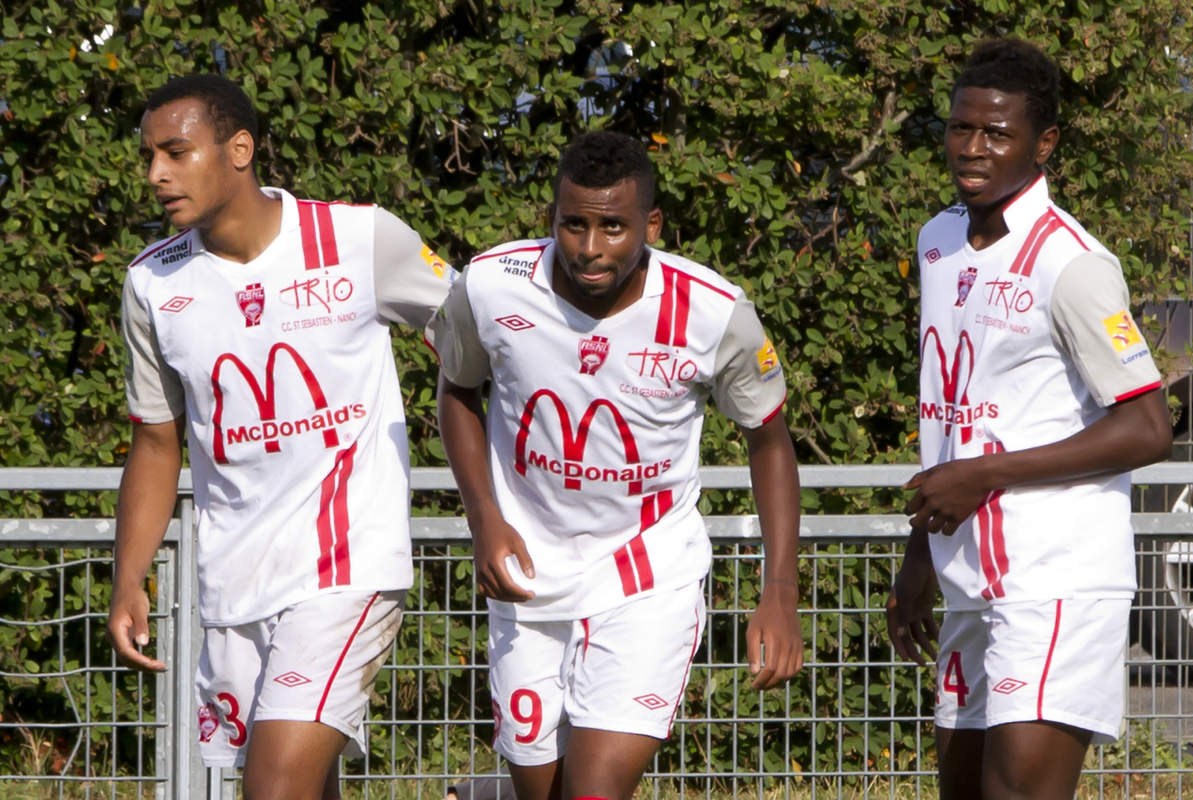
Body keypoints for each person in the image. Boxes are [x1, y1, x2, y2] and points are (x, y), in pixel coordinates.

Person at [106, 74, 454, 800]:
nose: (156, 175)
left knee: (273, 788)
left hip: (347, 564)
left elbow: (469, 334)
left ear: (240, 148)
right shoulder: (151, 286)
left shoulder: (358, 239)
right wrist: (128, 578)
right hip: (234, 582)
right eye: (149, 157)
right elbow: (156, 441)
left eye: (175, 151)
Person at [427, 130, 804, 800]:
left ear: (650, 224)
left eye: (612, 227)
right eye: (573, 224)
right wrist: (484, 517)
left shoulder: (713, 311)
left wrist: (779, 587)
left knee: (594, 790)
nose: (590, 248)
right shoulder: (489, 286)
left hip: (647, 572)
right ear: (553, 217)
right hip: (528, 575)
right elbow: (458, 391)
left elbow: (769, 438)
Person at [887, 39, 1173, 800]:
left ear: (1044, 143)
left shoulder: (1072, 262)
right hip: (967, 579)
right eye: (959, 128)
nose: (972, 150)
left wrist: (985, 475)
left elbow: (1149, 427)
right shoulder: (937, 241)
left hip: (1055, 580)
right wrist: (921, 552)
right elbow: (954, 419)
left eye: (997, 134)